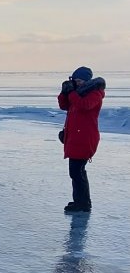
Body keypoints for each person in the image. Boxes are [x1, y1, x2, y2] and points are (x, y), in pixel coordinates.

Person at [57, 66, 105, 213]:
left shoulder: (95, 93)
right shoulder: (77, 93)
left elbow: (84, 105)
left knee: (77, 171)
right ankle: (81, 202)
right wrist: (64, 92)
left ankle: (83, 204)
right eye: (75, 80)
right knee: (77, 172)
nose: (77, 83)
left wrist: (71, 93)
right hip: (75, 137)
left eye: (79, 81)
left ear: (86, 80)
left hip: (85, 139)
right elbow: (64, 105)